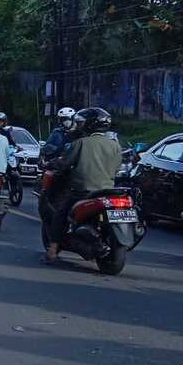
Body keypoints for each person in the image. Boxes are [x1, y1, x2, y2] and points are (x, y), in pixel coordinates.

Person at [43, 107, 120, 263]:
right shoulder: (115, 145)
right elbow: (117, 168)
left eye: (81, 123)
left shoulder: (80, 143)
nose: (79, 125)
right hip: (107, 191)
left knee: (60, 214)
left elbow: (64, 163)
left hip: (83, 191)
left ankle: (52, 251)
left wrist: (50, 164)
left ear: (89, 125)